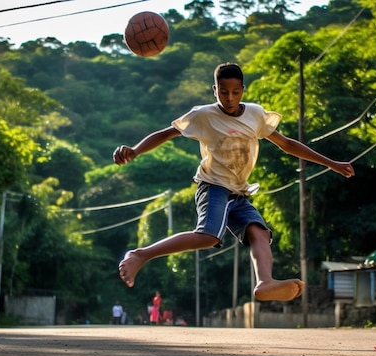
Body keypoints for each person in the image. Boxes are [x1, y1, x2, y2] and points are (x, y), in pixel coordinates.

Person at [113, 62, 355, 302]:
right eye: (223, 92)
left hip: (239, 191)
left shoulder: (255, 114)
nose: (229, 98)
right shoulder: (203, 115)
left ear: (243, 90)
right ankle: (141, 254)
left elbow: (287, 144)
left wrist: (331, 163)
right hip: (213, 186)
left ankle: (265, 282)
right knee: (209, 236)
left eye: (235, 92)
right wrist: (135, 150)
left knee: (259, 233)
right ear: (214, 90)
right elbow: (166, 133)